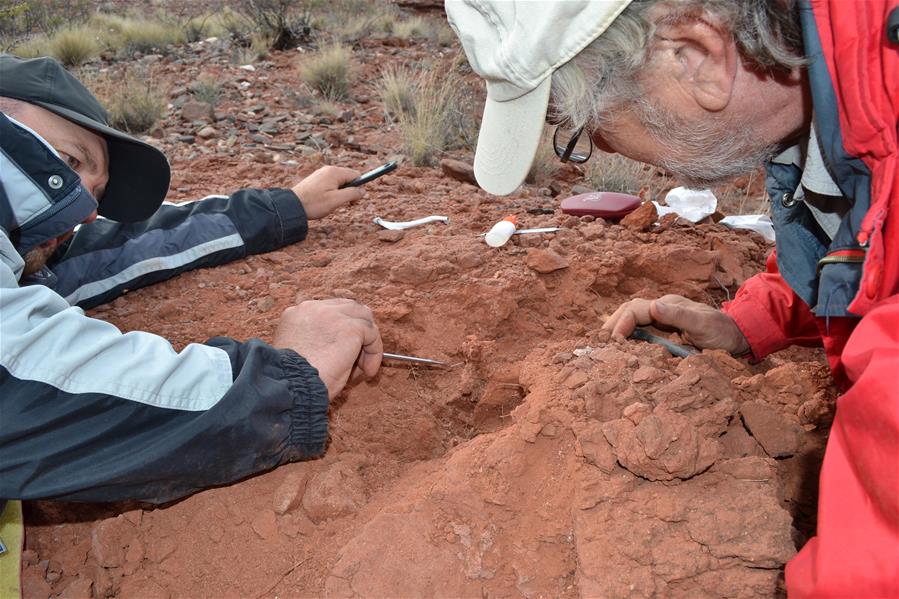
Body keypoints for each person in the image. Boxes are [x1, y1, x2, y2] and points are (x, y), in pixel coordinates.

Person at [445, 0, 898, 597]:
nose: (604, 149)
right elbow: (867, 238)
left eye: (587, 125)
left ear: (696, 56)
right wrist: (753, 320)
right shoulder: (840, 100)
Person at [0, 53, 384, 507]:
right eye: (70, 160)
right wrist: (284, 379)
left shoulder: (22, 254)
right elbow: (26, 382)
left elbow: (118, 248)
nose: (86, 209)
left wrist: (286, 207)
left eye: (96, 195)